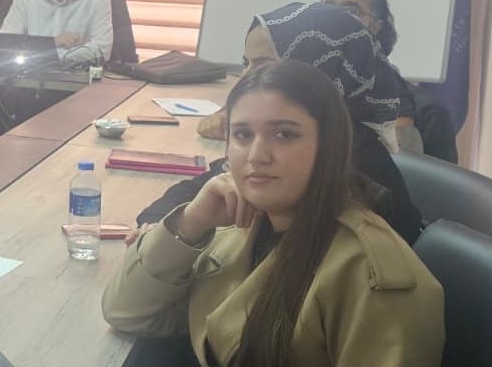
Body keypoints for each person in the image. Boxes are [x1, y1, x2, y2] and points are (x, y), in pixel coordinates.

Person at [103, 60, 444, 367]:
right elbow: (127, 313)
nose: (257, 155)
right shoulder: (238, 228)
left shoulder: (372, 276)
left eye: (284, 134)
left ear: (329, 145)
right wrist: (190, 223)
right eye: (242, 134)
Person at [134, 2, 423, 245]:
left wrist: (173, 238)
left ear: (318, 66)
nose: (246, 78)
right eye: (246, 64)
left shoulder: (346, 170)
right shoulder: (318, 132)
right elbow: (209, 181)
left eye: (262, 65)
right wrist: (167, 223)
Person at [322, 0, 457, 162]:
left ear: (376, 26)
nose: (334, 19)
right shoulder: (296, 95)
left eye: (351, 11)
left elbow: (423, 179)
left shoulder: (428, 113)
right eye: (326, 9)